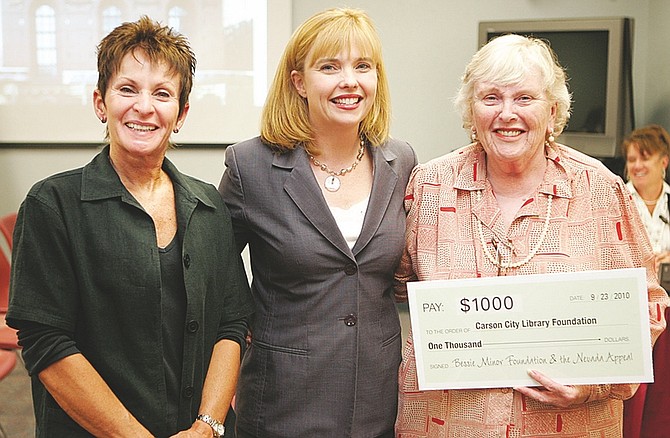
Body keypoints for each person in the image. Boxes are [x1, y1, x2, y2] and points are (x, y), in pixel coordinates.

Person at [393, 34, 668, 437]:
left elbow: (649, 305)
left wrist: (597, 384)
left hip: (569, 425)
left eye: (524, 98)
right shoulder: (430, 188)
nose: (507, 113)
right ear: (471, 111)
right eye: (490, 98)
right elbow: (392, 287)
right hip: (449, 424)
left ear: (553, 110)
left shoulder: (601, 191)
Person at [6, 16, 253, 437]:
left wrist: (207, 427)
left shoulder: (208, 204)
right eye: (127, 89)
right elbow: (47, 343)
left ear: (181, 113)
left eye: (162, 93)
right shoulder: (52, 205)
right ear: (100, 103)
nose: (144, 106)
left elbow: (231, 324)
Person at [217, 7, 417, 437]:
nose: (350, 81)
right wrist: (239, 342)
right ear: (299, 81)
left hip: (376, 399)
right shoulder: (250, 165)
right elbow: (213, 275)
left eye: (363, 66)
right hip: (282, 400)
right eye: (330, 67)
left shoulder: (401, 162)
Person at [622, 124, 670, 269]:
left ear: (664, 162)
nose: (637, 166)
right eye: (631, 159)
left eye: (645, 158)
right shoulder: (616, 201)